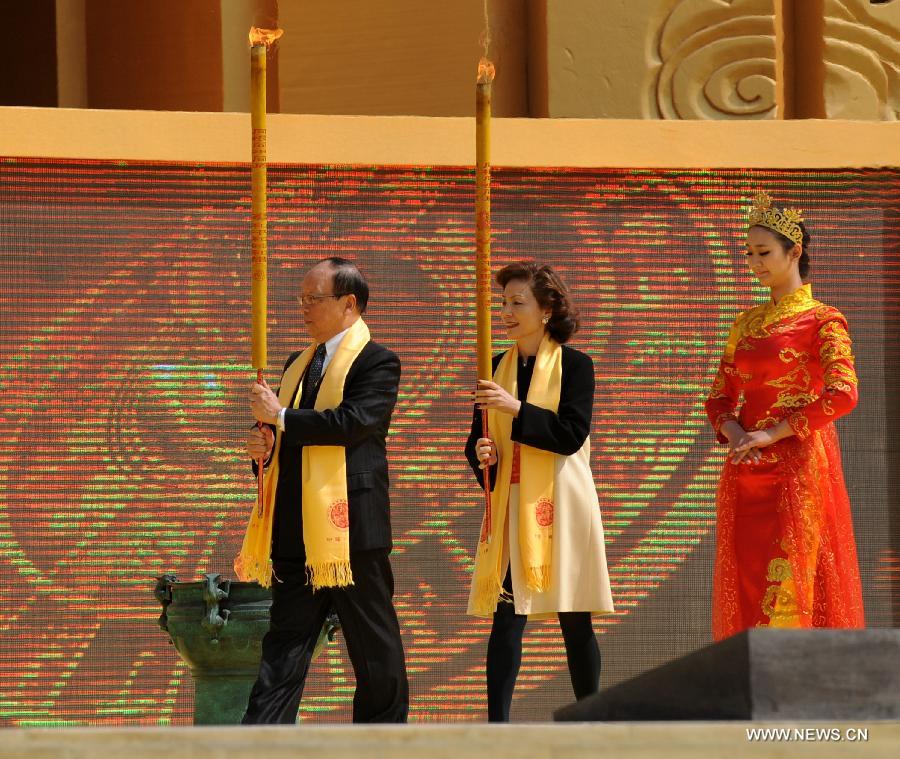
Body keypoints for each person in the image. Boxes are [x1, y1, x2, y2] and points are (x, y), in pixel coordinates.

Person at [235, 257, 409, 723]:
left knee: (373, 648)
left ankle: (383, 744)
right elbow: (285, 441)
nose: (304, 308)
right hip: (296, 528)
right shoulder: (298, 363)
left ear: (348, 304)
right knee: (283, 649)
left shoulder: (377, 361)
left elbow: (351, 424)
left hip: (350, 527)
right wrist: (265, 446)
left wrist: (283, 418)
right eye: (301, 299)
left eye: (314, 299)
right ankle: (259, 742)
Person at [704, 192, 865, 640]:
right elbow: (718, 399)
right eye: (749, 254)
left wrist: (773, 434)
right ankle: (749, 683)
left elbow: (844, 393)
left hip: (797, 467)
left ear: (794, 252)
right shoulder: (745, 323)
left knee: (793, 577)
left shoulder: (824, 320)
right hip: (747, 466)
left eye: (764, 253)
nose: (755, 263)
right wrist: (737, 432)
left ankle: (795, 688)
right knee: (748, 576)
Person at [465, 261, 614, 722]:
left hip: (562, 504)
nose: (506, 312)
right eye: (503, 302)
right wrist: (482, 454)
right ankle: (497, 728)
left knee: (574, 616)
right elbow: (477, 440)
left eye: (517, 302)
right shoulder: (494, 366)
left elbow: (570, 434)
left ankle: (589, 719)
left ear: (547, 309)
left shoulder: (576, 365)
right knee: (507, 617)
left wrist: (514, 407)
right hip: (510, 504)